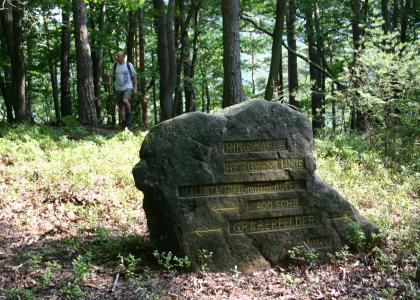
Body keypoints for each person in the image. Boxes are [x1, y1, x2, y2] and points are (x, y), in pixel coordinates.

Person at [109, 51, 138, 129]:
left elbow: (134, 77)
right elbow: (111, 75)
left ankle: (129, 117)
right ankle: (124, 123)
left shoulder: (129, 65)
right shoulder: (114, 65)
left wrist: (135, 88)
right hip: (118, 88)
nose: (117, 58)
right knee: (121, 107)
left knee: (125, 100)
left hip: (128, 86)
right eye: (117, 56)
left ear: (123, 57)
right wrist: (110, 82)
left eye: (119, 56)